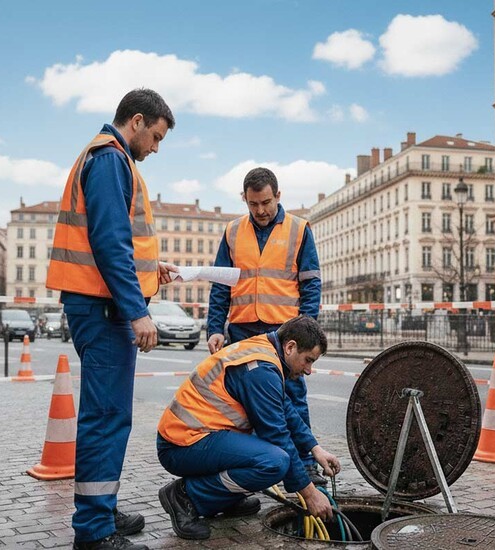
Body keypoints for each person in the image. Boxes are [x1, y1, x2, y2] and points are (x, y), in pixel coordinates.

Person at [46, 88, 177, 550]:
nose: (156, 148)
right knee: (105, 417)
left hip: (100, 304)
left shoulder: (114, 159)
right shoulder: (110, 158)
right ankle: (94, 530)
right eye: (156, 137)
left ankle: (102, 507)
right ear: (137, 121)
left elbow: (119, 243)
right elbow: (108, 242)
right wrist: (137, 311)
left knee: (110, 415)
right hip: (102, 309)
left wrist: (149, 270)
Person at [156, 315, 340, 540]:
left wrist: (314, 448)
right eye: (308, 360)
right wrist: (310, 494)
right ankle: (186, 497)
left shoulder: (265, 350)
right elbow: (278, 435)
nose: (309, 370)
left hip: (197, 437)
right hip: (182, 444)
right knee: (274, 462)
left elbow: (285, 408)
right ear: (290, 347)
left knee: (267, 455)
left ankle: (225, 498)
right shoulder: (261, 369)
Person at [206, 167, 325, 485]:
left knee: (293, 397)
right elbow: (220, 285)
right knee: (242, 401)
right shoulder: (232, 231)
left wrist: (305, 329)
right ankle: (258, 463)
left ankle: (304, 464)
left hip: (283, 331)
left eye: (266, 203)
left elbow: (311, 284)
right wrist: (215, 328)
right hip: (243, 330)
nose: (260, 210)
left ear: (278, 196)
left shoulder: (299, 230)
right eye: (253, 203)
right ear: (244, 199)